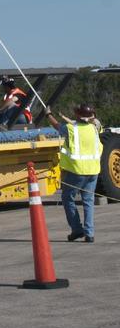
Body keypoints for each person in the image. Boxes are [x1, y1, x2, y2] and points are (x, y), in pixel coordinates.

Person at [46, 103, 102, 243]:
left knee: (68, 198)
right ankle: (89, 234)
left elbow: (57, 126)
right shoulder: (94, 128)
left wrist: (48, 114)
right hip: (93, 171)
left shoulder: (71, 129)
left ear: (77, 115)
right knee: (88, 202)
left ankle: (77, 229)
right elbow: (95, 122)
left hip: (76, 171)